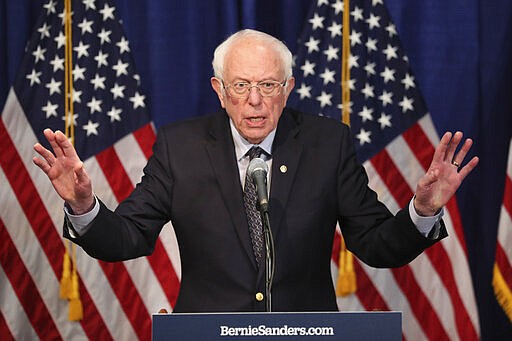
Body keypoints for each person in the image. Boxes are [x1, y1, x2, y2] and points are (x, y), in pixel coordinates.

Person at [33, 29, 479, 313]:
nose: (254, 101)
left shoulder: (327, 144)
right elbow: (128, 237)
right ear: (219, 90)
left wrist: (421, 209)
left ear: (287, 88)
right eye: (241, 86)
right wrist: (83, 204)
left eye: (267, 85)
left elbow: (377, 245)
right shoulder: (180, 147)